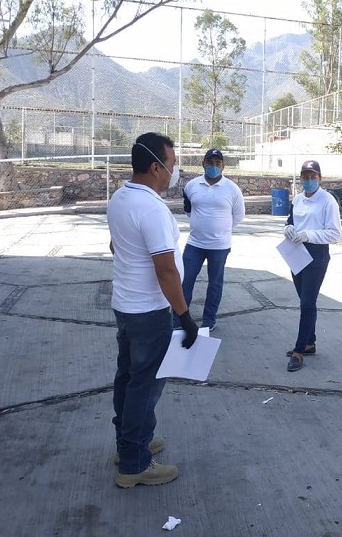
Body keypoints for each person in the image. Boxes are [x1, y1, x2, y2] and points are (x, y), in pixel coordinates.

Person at [107, 132, 200, 489]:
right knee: (145, 387)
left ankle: (130, 443)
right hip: (148, 312)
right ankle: (135, 464)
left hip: (126, 307)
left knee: (128, 378)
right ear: (155, 167)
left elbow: (117, 246)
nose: (174, 173)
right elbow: (166, 271)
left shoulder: (120, 198)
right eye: (172, 165)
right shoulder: (152, 208)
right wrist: (184, 315)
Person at [283, 160, 342, 372]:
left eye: (312, 177)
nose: (308, 181)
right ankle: (310, 342)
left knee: (307, 303)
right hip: (296, 252)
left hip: (316, 255)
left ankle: (299, 350)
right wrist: (289, 229)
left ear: (320, 178)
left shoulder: (328, 202)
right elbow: (291, 220)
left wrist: (308, 235)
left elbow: (334, 233)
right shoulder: (297, 199)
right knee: (305, 300)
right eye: (305, 177)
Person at [177, 148, 245, 331]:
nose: (213, 166)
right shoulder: (191, 186)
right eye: (210, 163)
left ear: (223, 166)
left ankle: (209, 320)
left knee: (215, 283)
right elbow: (188, 210)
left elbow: (238, 215)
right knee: (185, 280)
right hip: (195, 243)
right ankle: (178, 320)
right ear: (203, 164)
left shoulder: (232, 189)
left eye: (217, 163)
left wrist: (221, 229)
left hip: (220, 246)